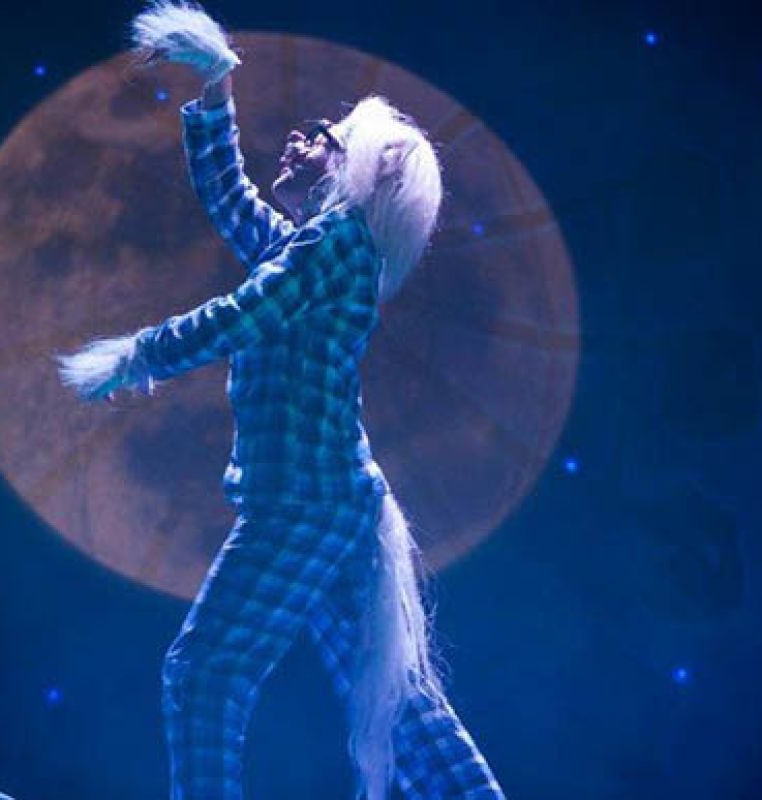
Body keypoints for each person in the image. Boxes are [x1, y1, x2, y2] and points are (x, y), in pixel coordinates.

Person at [57, 3, 506, 798]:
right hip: (328, 501)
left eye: (321, 140)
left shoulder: (335, 247)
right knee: (394, 700)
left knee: (205, 672)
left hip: (307, 505)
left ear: (353, 175)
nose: (298, 142)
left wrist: (136, 357)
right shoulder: (313, 247)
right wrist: (213, 90)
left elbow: (245, 315)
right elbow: (229, 198)